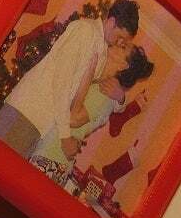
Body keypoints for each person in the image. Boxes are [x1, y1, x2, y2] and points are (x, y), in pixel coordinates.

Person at [0, 0, 141, 159]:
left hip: (42, 124)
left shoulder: (102, 50)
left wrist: (121, 99)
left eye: (124, 41)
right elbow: (61, 81)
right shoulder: (85, 31)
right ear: (112, 22)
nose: (120, 42)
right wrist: (65, 136)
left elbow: (95, 90)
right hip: (27, 111)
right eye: (120, 37)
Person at [29, 44, 154, 185]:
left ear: (123, 65)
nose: (119, 44)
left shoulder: (104, 93)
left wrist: (90, 74)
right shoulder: (104, 85)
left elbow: (72, 119)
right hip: (52, 155)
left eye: (123, 48)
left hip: (52, 157)